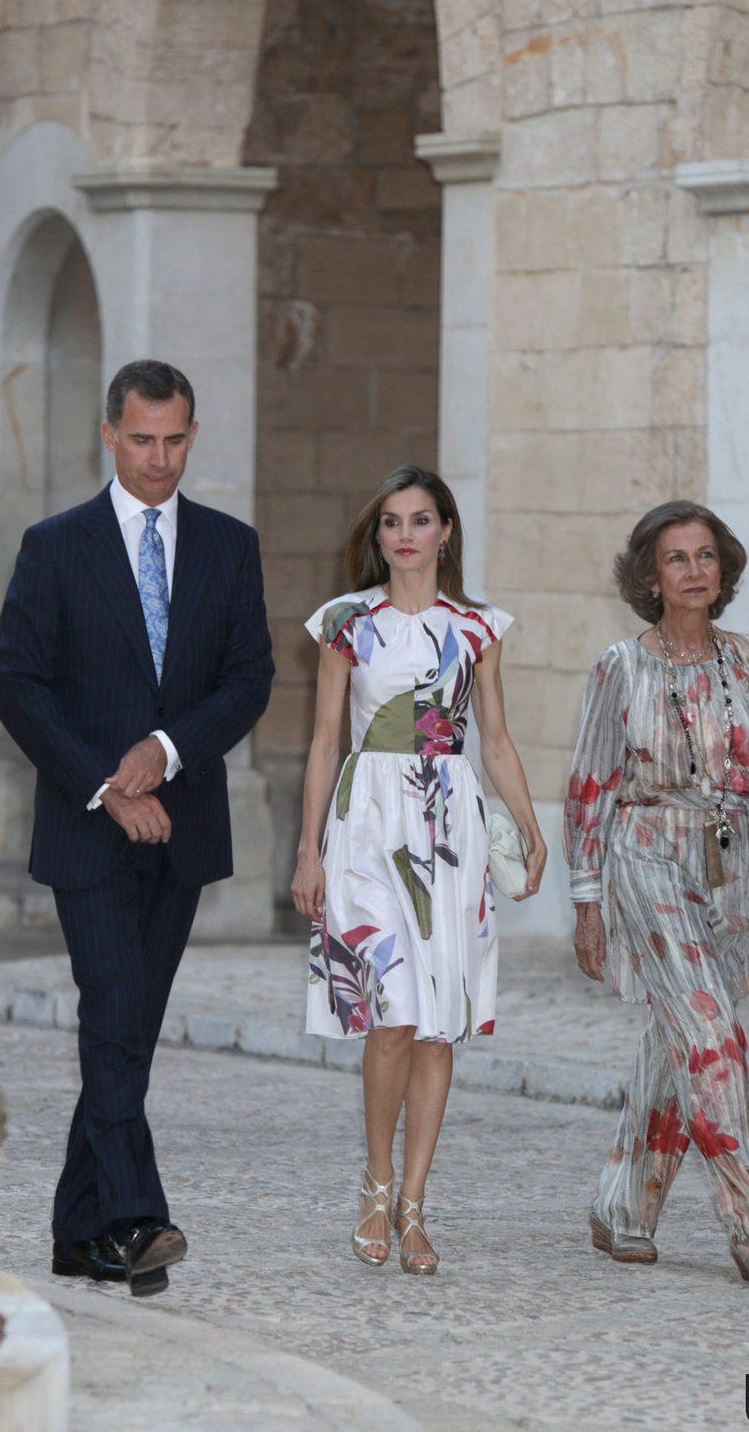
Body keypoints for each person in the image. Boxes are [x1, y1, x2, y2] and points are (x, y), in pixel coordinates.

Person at [0, 360, 273, 1296]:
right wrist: (107, 786)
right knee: (113, 1010)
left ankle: (78, 1233)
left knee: (131, 1032)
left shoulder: (231, 547)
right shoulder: (54, 545)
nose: (160, 460)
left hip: (183, 827)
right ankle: (135, 1218)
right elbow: (19, 686)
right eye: (143, 439)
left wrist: (166, 747)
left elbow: (249, 679)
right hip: (87, 829)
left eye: (176, 440)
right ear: (109, 433)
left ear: (194, 435)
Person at [564, 500, 749, 1282]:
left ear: (721, 569)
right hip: (644, 856)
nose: (694, 571)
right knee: (708, 1035)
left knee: (679, 1042)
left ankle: (622, 1206)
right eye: (676, 559)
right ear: (650, 579)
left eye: (705, 557)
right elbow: (590, 790)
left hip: (731, 872)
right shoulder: (619, 668)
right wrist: (586, 902)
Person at [292, 465, 546, 1274]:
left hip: (448, 825)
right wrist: (309, 848)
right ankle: (375, 1183)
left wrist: (534, 831)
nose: (405, 534)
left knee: (439, 1022)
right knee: (392, 1011)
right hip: (366, 823)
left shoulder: (477, 629)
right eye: (392, 522)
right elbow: (325, 743)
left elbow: (495, 740)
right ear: (379, 538)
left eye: (421, 519)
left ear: (444, 533)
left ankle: (414, 1206)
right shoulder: (345, 624)